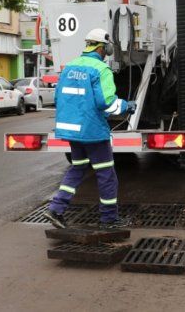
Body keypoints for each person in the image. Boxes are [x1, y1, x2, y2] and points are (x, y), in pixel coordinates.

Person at [44, 28, 136, 229]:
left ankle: (56, 208)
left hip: (72, 131)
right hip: (92, 132)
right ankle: (109, 219)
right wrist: (126, 106)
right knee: (106, 175)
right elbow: (107, 103)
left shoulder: (69, 66)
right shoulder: (101, 69)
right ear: (104, 48)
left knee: (78, 168)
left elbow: (59, 98)